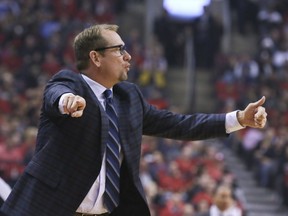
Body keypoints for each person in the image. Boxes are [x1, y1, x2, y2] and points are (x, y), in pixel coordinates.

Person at [0, 24, 267, 216]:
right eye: (119, 50)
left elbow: (180, 124)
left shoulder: (129, 98)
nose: (128, 57)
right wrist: (66, 101)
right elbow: (56, 95)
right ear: (95, 57)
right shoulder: (70, 83)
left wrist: (239, 119)